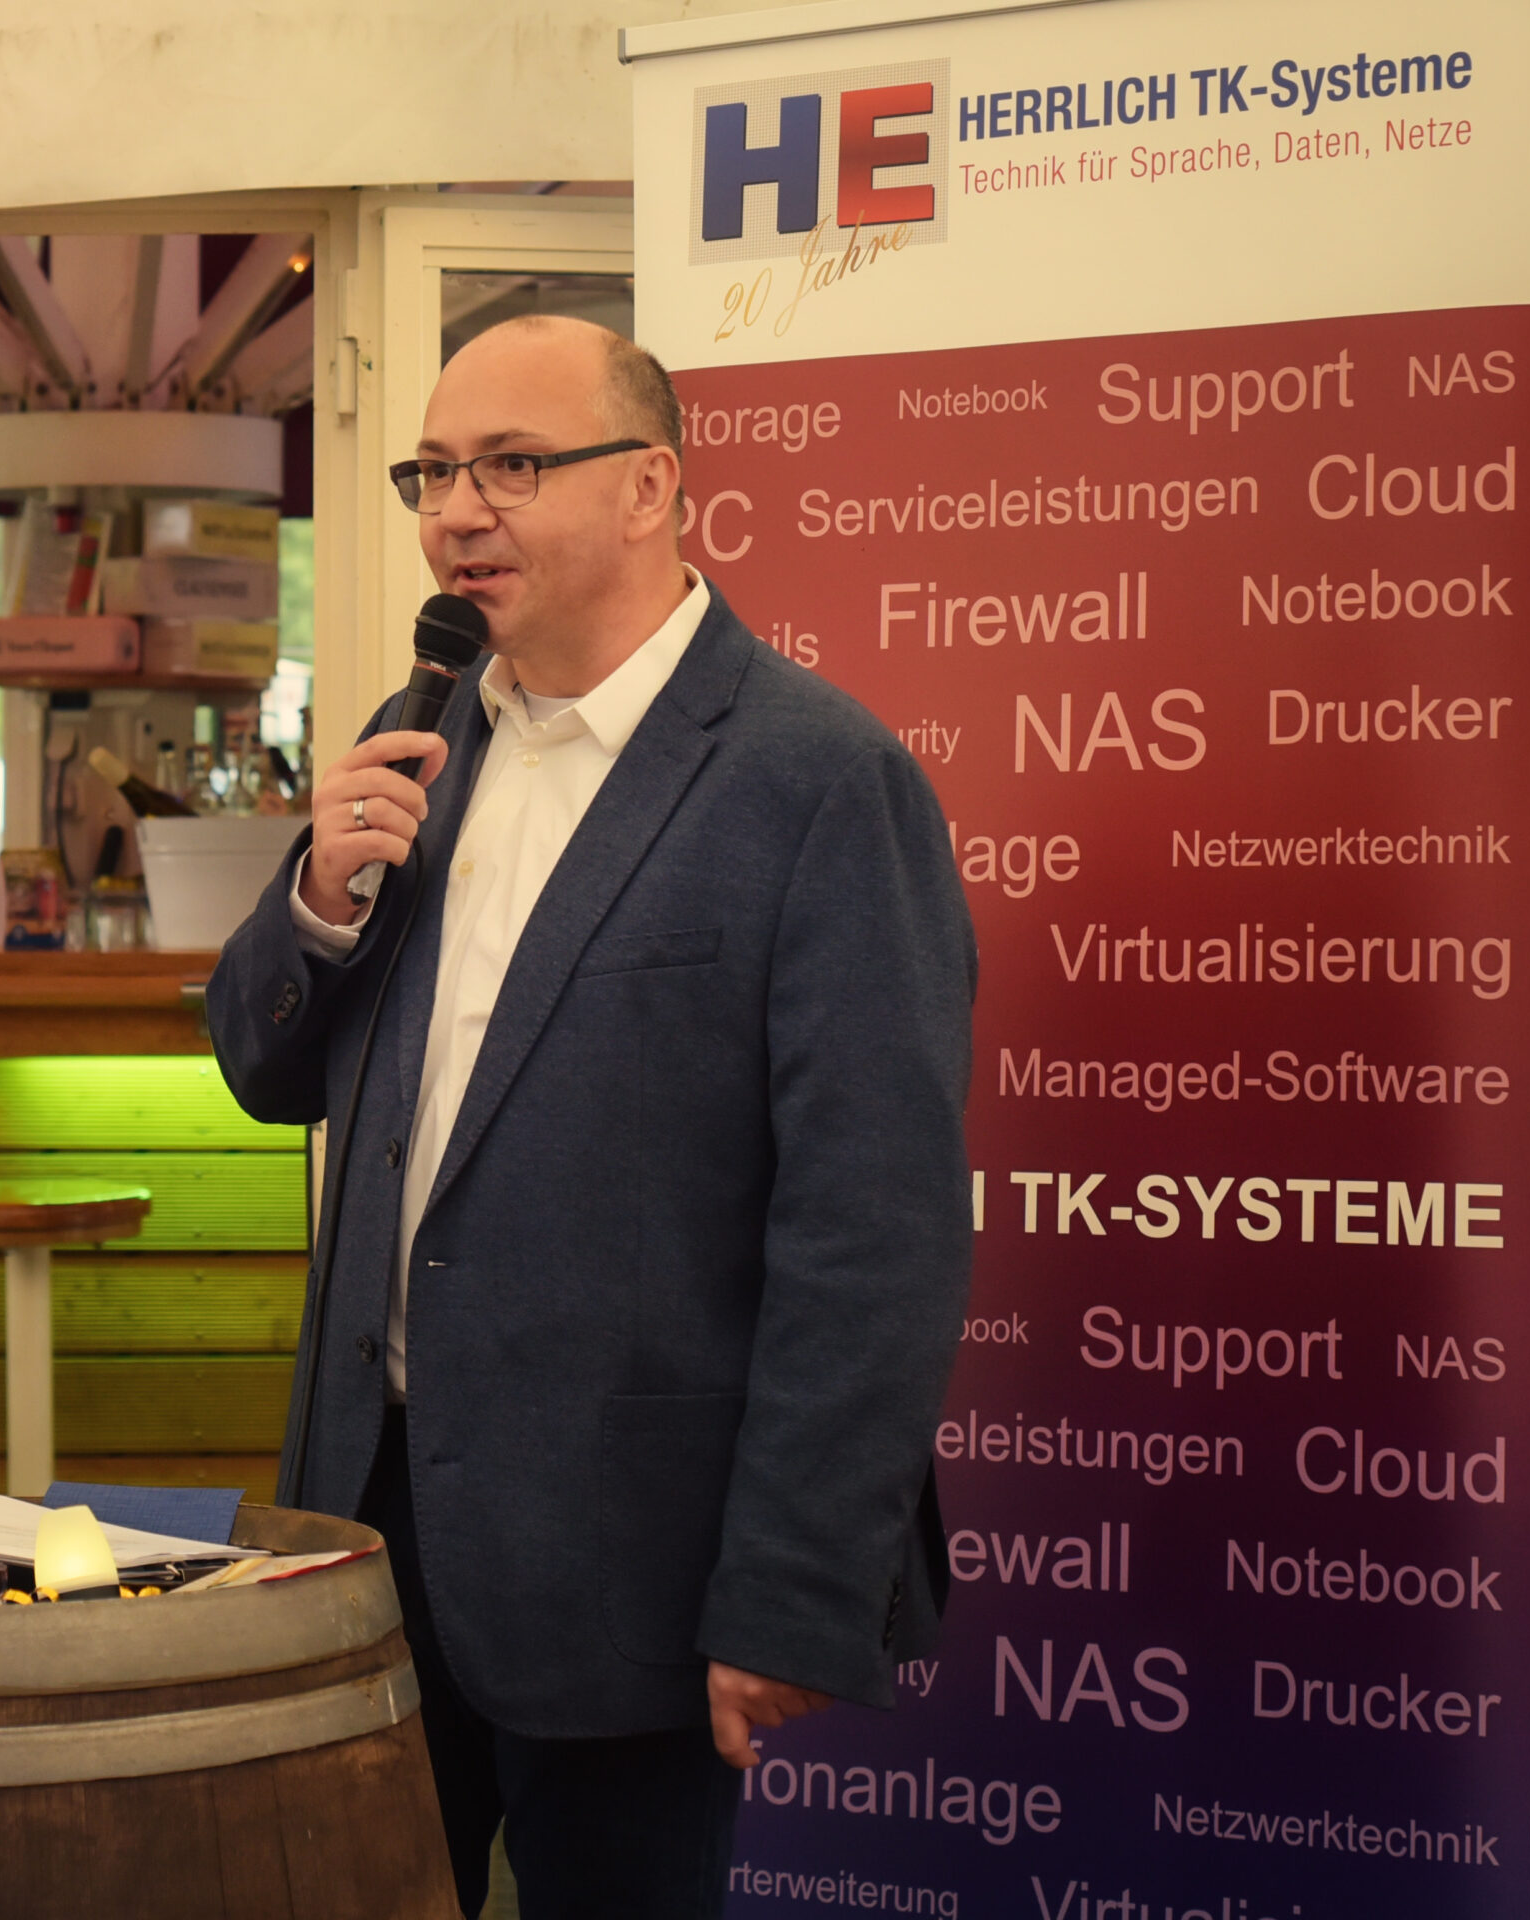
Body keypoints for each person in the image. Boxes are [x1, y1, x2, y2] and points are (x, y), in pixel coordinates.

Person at [205, 316, 975, 1917]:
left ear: (650, 489)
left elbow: (872, 1233)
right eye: (433, 471)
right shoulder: (422, 736)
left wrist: (792, 1587)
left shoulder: (818, 782)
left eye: (511, 466)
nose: (456, 512)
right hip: (363, 1520)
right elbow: (265, 1072)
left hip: (631, 1555)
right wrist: (317, 904)